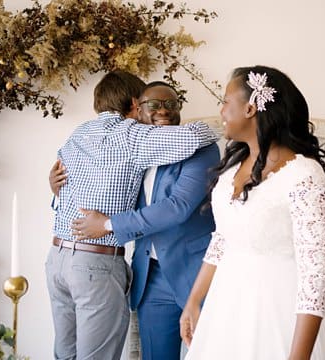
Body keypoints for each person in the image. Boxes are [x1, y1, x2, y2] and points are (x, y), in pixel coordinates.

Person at [46, 70, 218, 359]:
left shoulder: (80, 134)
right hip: (123, 270)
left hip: (191, 272)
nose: (163, 110)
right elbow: (81, 188)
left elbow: (177, 206)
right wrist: (56, 190)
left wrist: (62, 196)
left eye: (171, 104)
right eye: (152, 104)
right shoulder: (133, 138)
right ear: (136, 105)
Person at [179, 66, 325, 359]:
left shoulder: (303, 174)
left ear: (250, 109)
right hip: (225, 311)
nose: (222, 111)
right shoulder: (229, 175)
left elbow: (317, 274)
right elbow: (222, 240)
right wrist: (194, 301)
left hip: (277, 315)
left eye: (226, 101)